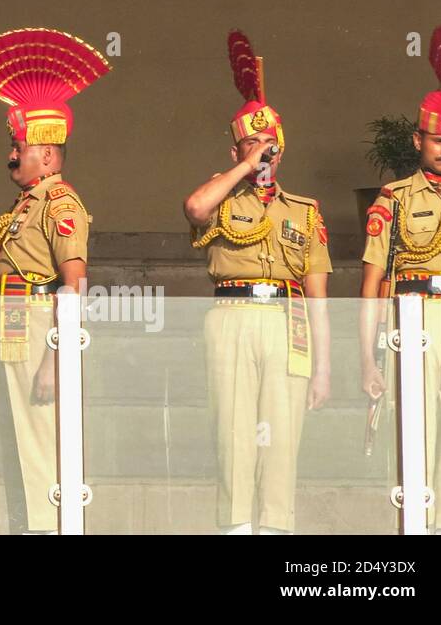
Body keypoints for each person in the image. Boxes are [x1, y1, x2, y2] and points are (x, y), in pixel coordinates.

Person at [0, 27, 110, 534]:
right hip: (12, 332)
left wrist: (55, 362)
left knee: (43, 450)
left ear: (46, 153)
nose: (10, 155)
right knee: (17, 449)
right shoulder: (27, 204)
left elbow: (74, 284)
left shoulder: (61, 204)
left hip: (40, 331)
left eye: (18, 146)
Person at [182, 29, 331, 535]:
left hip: (289, 321)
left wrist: (325, 366)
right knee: (233, 434)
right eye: (251, 143)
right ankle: (236, 527)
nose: (263, 152)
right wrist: (246, 166)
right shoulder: (222, 197)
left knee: (283, 437)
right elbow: (195, 208)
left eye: (269, 144)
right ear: (235, 151)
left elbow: (318, 294)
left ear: (283, 149)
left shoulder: (304, 210)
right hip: (233, 315)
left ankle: (276, 530)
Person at [360, 24, 441, 534]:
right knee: (414, 439)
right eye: (437, 139)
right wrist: (366, 356)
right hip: (413, 320)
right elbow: (372, 281)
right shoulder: (394, 198)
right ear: (417, 139)